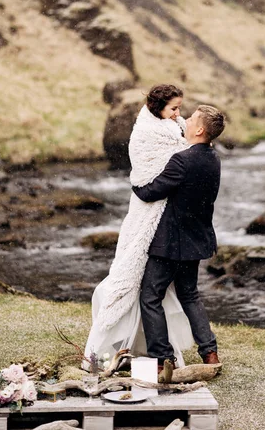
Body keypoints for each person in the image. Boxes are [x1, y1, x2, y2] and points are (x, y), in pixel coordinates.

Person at [84, 85, 194, 367]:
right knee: (131, 277)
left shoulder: (177, 127)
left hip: (165, 216)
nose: (178, 114)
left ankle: (151, 349)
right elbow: (145, 178)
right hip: (146, 213)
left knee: (152, 287)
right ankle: (121, 346)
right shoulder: (147, 133)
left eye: (180, 108)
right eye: (173, 108)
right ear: (158, 108)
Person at [132, 105, 225, 370]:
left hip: (171, 242)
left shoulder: (182, 160)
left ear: (199, 130)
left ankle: (163, 359)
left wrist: (135, 180)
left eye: (192, 118)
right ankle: (210, 353)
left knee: (150, 296)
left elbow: (151, 192)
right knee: (190, 294)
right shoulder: (213, 158)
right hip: (197, 238)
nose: (185, 120)